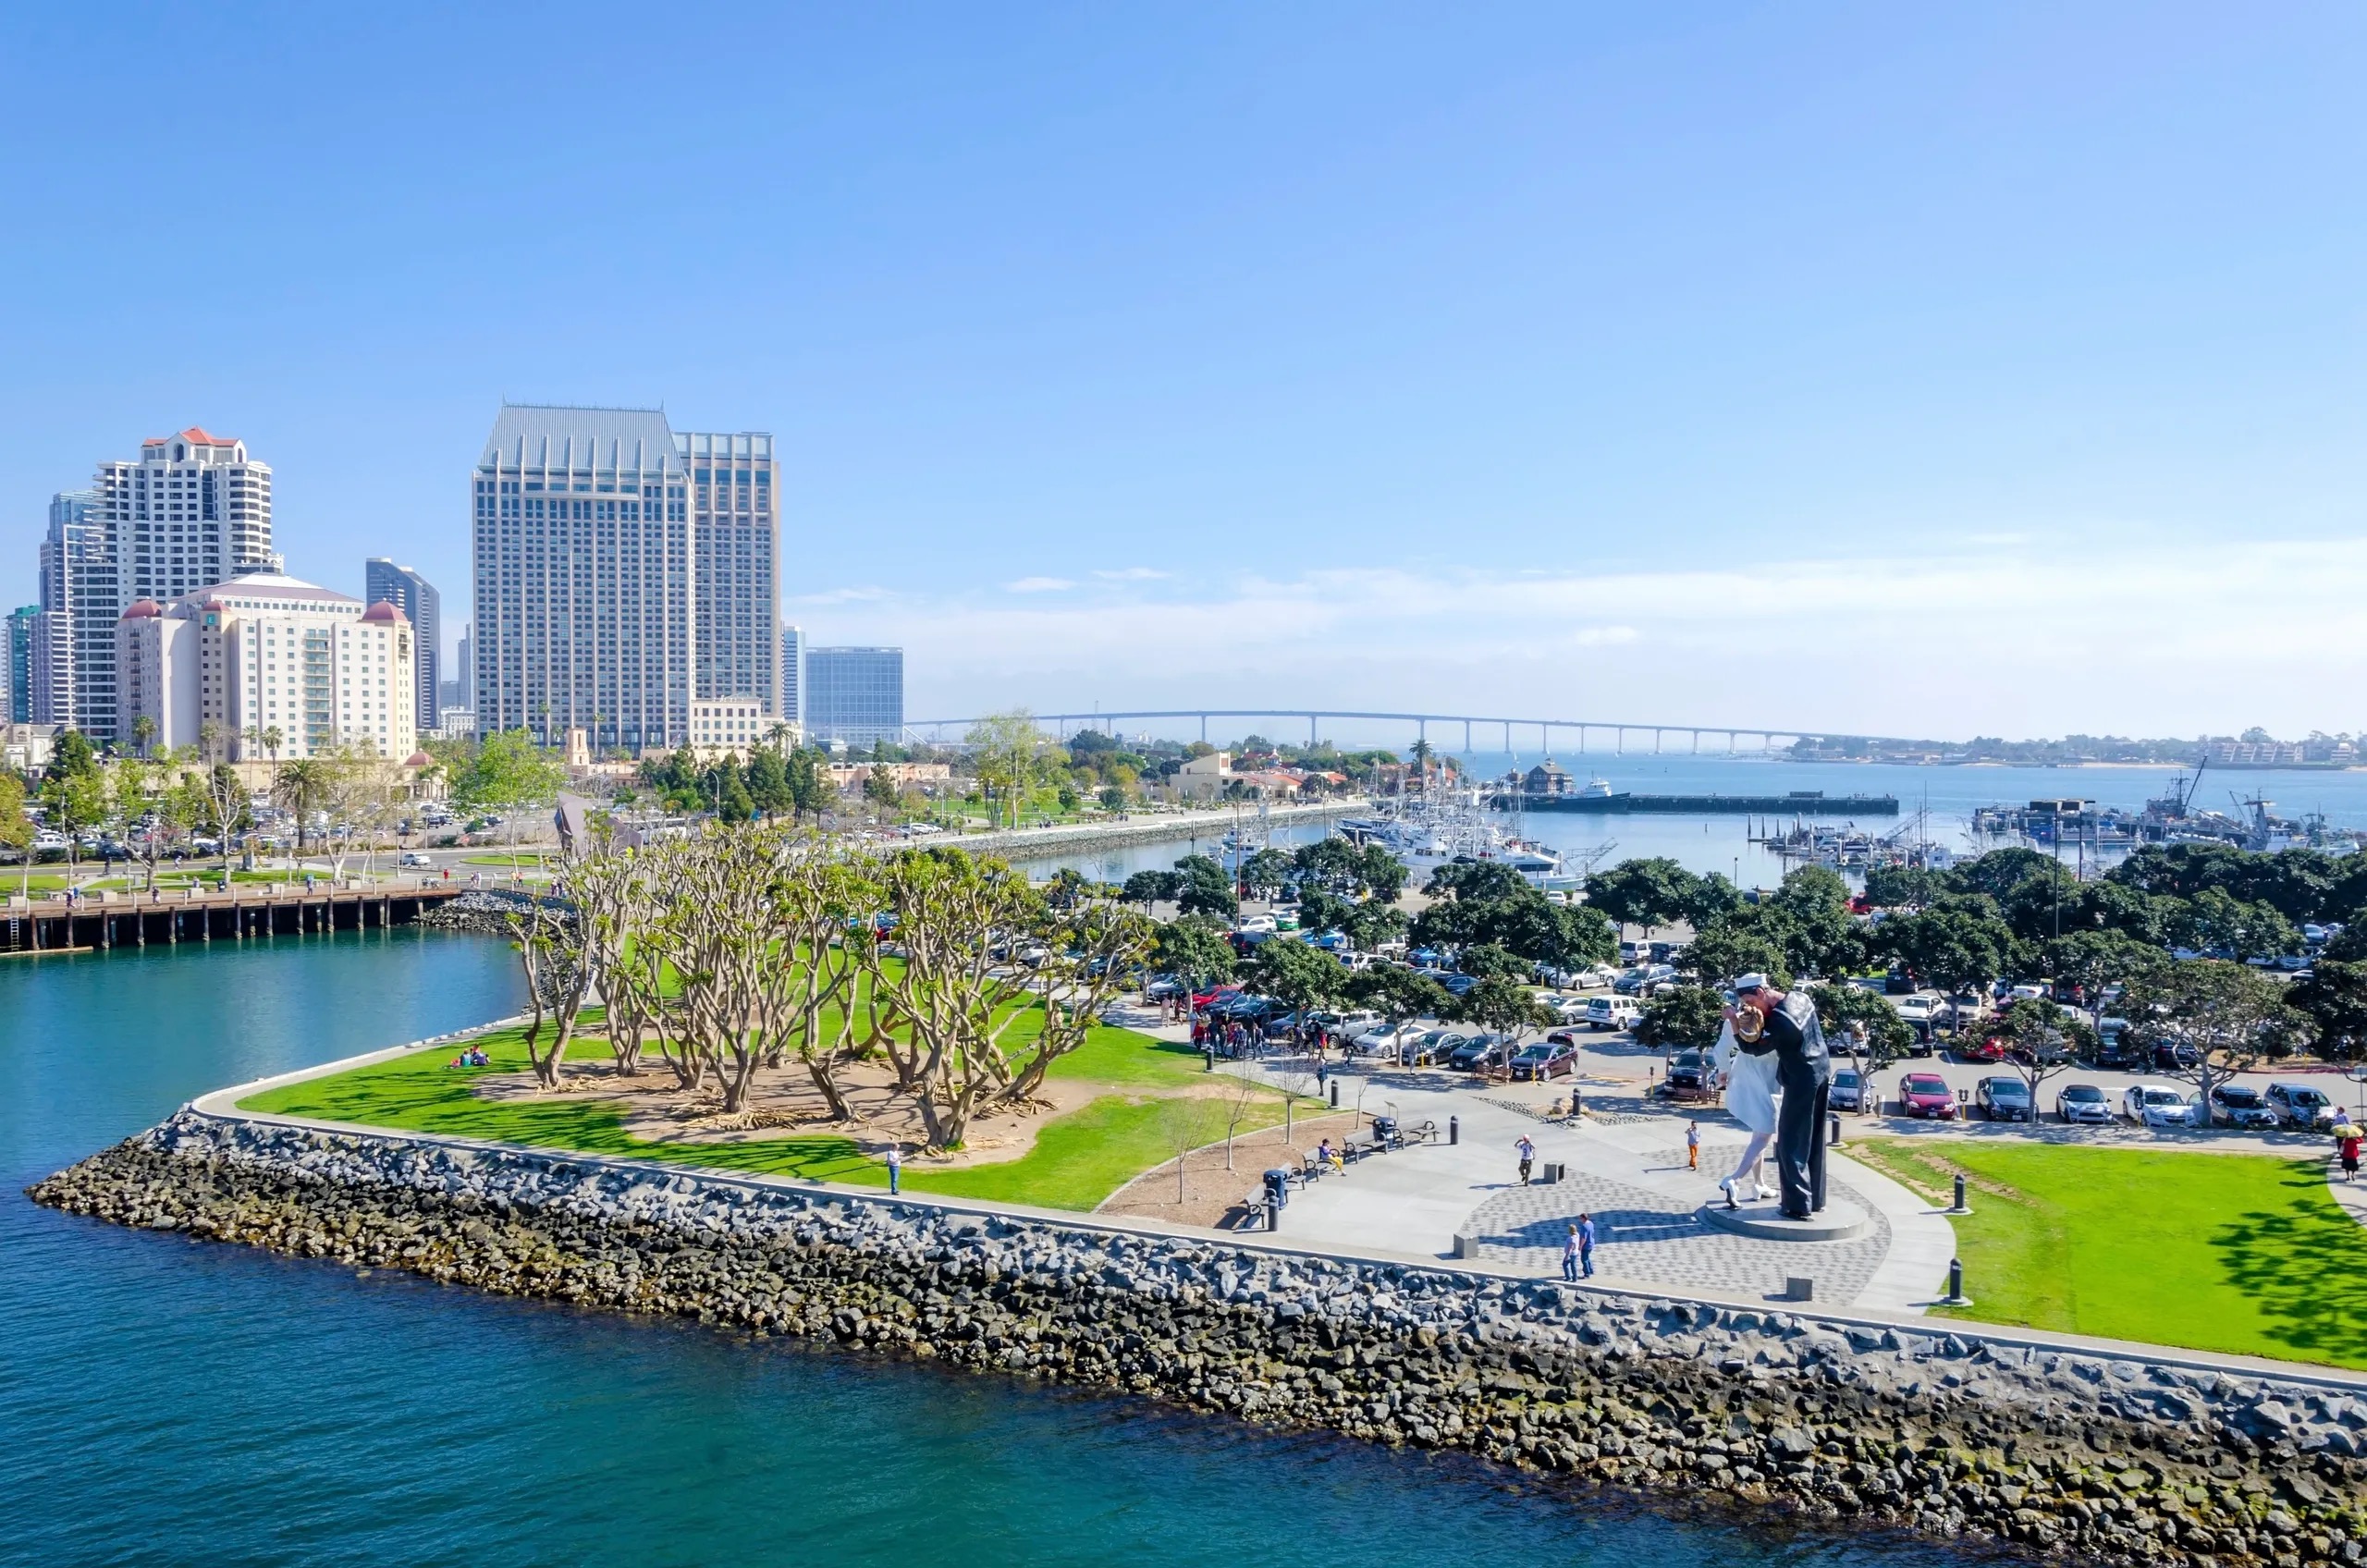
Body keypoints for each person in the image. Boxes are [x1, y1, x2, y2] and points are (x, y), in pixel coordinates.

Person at [1577, 1211, 1597, 1279]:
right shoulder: (1591, 1223)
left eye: (1580, 1218)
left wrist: (1580, 1246)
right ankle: (1591, 1270)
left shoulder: (1584, 1226)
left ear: (1583, 1218)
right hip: (1591, 1243)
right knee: (1587, 1257)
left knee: (1584, 1259)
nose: (1580, 1220)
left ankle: (1587, 1274)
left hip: (1586, 1245)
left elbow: (1583, 1238)